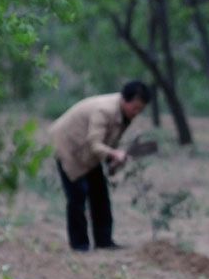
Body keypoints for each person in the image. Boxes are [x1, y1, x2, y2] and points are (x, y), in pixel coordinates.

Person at [50, 80, 152, 251]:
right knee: (77, 196)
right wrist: (114, 154)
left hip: (88, 153)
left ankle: (104, 241)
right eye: (135, 108)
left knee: (100, 194)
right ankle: (79, 245)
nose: (137, 113)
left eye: (140, 109)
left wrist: (113, 161)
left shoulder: (125, 114)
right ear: (125, 100)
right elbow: (95, 144)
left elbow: (108, 140)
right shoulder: (105, 110)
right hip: (69, 148)